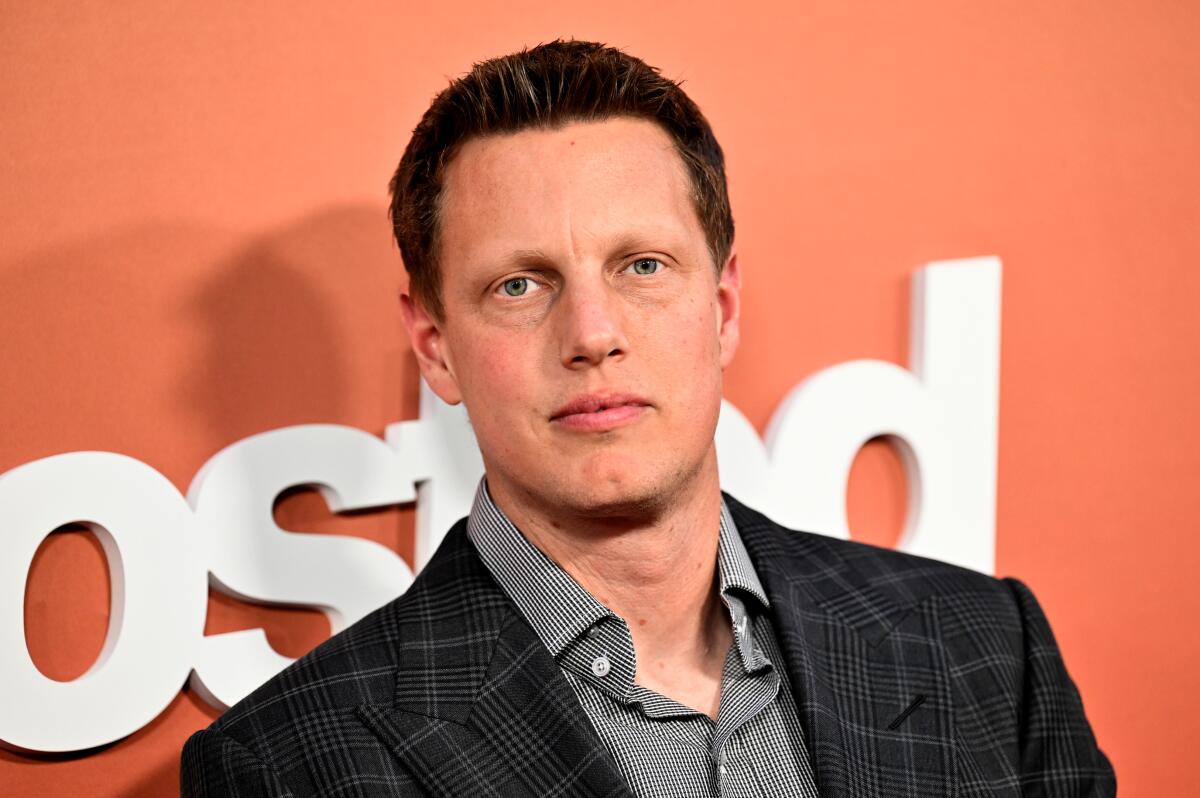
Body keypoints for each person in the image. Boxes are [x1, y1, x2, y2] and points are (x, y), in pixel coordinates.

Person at [181, 40, 1115, 797]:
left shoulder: (986, 649)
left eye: (642, 267)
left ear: (723, 306)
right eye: (519, 285)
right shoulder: (286, 767)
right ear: (434, 346)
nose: (592, 335)